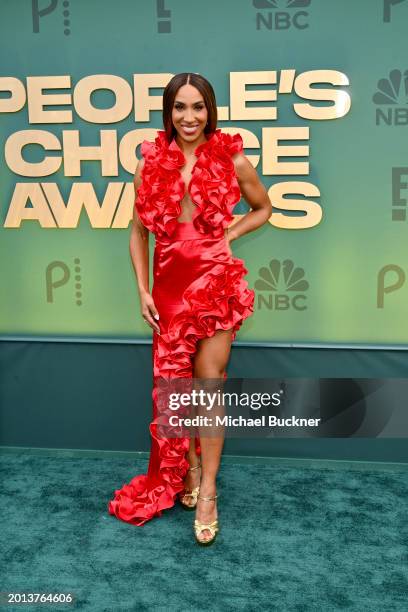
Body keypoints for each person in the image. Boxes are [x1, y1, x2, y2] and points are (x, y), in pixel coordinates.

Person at [108, 72, 272, 545]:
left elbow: (263, 207)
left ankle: (209, 494)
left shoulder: (231, 156)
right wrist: (143, 289)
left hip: (216, 282)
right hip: (168, 289)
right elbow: (138, 232)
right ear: (168, 112)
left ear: (210, 110)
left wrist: (229, 235)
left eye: (198, 107)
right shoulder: (150, 163)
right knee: (178, 392)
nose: (189, 117)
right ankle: (192, 469)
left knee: (207, 389)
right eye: (180, 108)